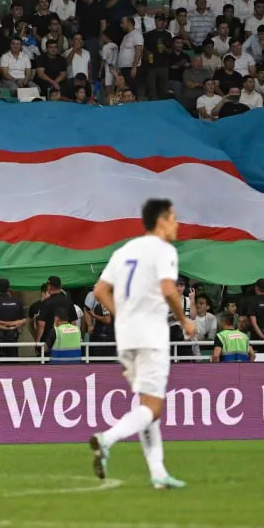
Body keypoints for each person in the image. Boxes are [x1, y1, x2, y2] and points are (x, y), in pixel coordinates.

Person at [87, 198, 193, 490]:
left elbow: (100, 290)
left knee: (148, 404)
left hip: (126, 337)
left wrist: (122, 315)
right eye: (173, 218)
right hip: (151, 335)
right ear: (161, 220)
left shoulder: (125, 250)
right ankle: (106, 439)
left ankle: (158, 472)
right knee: (153, 407)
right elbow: (169, 289)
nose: (177, 224)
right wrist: (184, 321)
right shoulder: (164, 250)